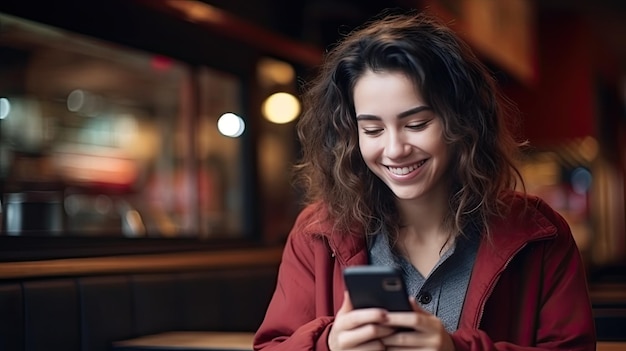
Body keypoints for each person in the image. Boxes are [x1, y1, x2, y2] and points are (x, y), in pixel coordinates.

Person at [253, 9, 596, 351]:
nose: (394, 149)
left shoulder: (539, 234)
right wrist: (329, 344)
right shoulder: (317, 232)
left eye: (416, 124)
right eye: (372, 129)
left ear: (461, 121)